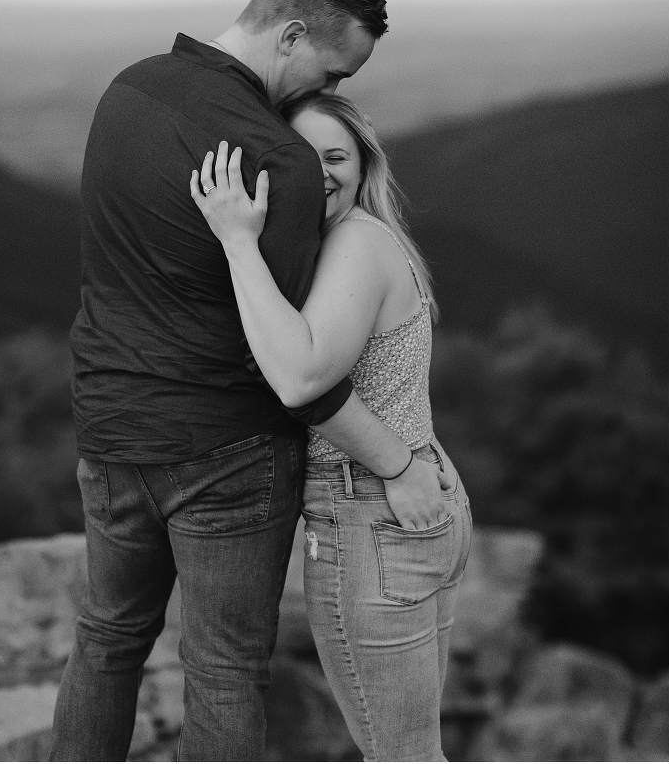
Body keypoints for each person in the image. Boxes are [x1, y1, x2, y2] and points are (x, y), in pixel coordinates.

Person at [49, 0, 452, 762]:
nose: (331, 94)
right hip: (229, 455)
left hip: (111, 428)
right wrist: (399, 461)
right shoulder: (280, 162)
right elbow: (298, 364)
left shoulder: (128, 88)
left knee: (104, 639)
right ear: (294, 32)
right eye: (331, 72)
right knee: (226, 670)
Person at [191, 92, 472, 763]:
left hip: (375, 505)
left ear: (363, 162)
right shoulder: (356, 240)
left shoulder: (355, 243)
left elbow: (301, 378)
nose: (321, 170)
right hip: (412, 500)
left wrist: (236, 241)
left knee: (401, 757)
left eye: (336, 155)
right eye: (301, 156)